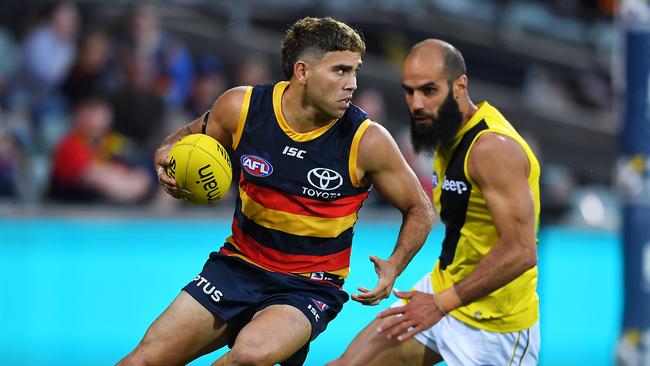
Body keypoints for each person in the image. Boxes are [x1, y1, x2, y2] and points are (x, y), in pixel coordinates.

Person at [117, 17, 434, 366]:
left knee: (247, 358)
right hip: (235, 267)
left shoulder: (367, 140)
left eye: (355, 71)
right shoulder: (242, 107)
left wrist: (394, 265)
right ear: (302, 71)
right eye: (340, 71)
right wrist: (165, 157)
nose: (352, 84)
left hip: (307, 287)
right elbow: (182, 139)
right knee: (140, 361)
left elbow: (420, 208)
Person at [328, 39, 541, 365]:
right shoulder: (445, 132)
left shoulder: (492, 149)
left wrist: (441, 303)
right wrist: (399, 265)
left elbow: (521, 252)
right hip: (443, 288)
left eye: (429, 90)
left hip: (495, 327)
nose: (416, 103)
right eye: (410, 91)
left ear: (460, 85)